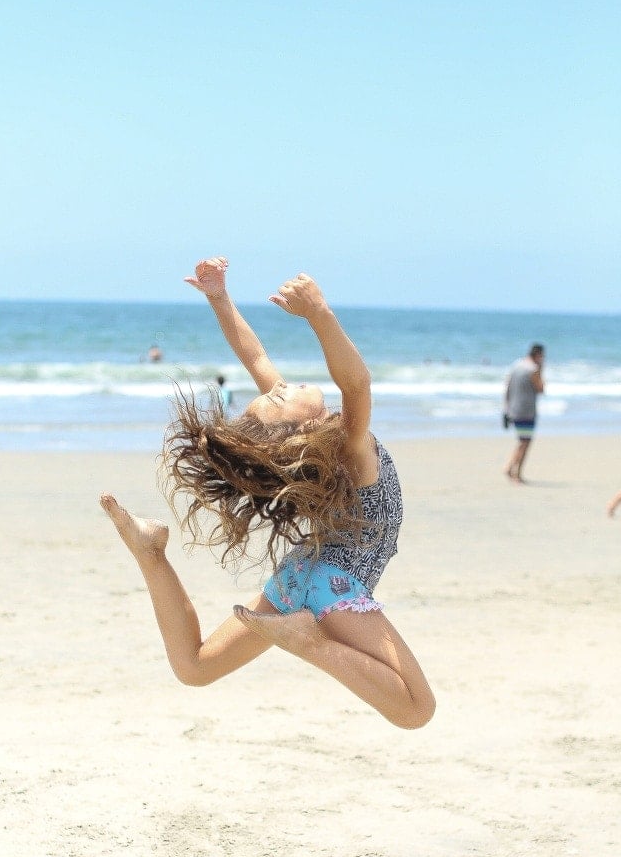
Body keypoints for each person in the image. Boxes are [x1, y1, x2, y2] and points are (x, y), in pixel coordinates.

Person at [99, 256, 435, 730]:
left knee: (194, 667)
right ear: (303, 429)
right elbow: (356, 382)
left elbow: (254, 356)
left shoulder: (313, 446)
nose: (282, 385)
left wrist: (219, 298)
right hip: (332, 585)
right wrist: (319, 312)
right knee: (417, 710)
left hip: (303, 571)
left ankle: (150, 553)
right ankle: (307, 640)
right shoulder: (348, 447)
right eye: (278, 397)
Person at [503, 344, 545, 482]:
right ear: (538, 355)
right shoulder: (533, 369)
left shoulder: (517, 365)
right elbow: (541, 389)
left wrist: (506, 408)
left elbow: (507, 387)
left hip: (513, 408)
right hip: (526, 410)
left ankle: (511, 468)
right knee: (525, 442)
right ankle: (515, 472)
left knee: (522, 441)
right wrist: (541, 369)